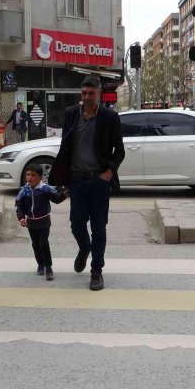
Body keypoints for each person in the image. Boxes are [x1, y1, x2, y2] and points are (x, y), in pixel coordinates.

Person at [48, 76, 125, 291]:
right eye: (84, 94)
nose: (87, 97)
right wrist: (64, 180)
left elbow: (120, 151)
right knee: (76, 223)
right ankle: (84, 248)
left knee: (99, 228)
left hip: (99, 181)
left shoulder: (109, 117)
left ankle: (96, 272)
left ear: (99, 93)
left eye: (91, 93)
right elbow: (66, 148)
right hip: (77, 180)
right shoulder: (71, 114)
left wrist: (109, 173)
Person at [15, 164, 67, 281]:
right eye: (28, 175)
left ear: (40, 177)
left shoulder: (45, 189)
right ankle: (40, 264)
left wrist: (65, 193)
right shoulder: (24, 191)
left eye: (33, 175)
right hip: (31, 223)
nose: (30, 177)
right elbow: (19, 205)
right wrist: (21, 218)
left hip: (44, 221)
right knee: (35, 244)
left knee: (43, 243)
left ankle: (48, 267)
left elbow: (56, 198)